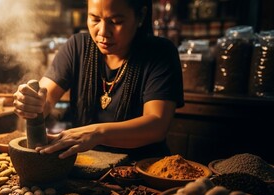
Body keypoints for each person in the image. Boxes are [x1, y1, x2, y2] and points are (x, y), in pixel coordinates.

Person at [13, 0, 184, 162]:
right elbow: (46, 96)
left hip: (141, 170)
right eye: (94, 19)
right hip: (88, 165)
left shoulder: (161, 53)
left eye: (115, 21)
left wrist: (98, 133)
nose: (102, 32)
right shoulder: (77, 47)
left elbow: (157, 124)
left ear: (140, 16)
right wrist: (32, 102)